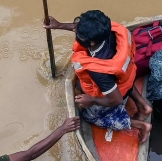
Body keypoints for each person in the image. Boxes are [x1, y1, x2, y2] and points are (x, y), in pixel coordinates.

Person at [44, 10, 152, 140]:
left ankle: (141, 125)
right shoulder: (106, 31)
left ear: (91, 43)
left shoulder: (98, 70)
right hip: (126, 79)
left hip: (116, 93)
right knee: (123, 81)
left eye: (79, 34)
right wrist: (59, 25)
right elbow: (80, 28)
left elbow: (116, 99)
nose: (76, 30)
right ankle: (143, 105)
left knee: (90, 116)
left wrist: (92, 100)